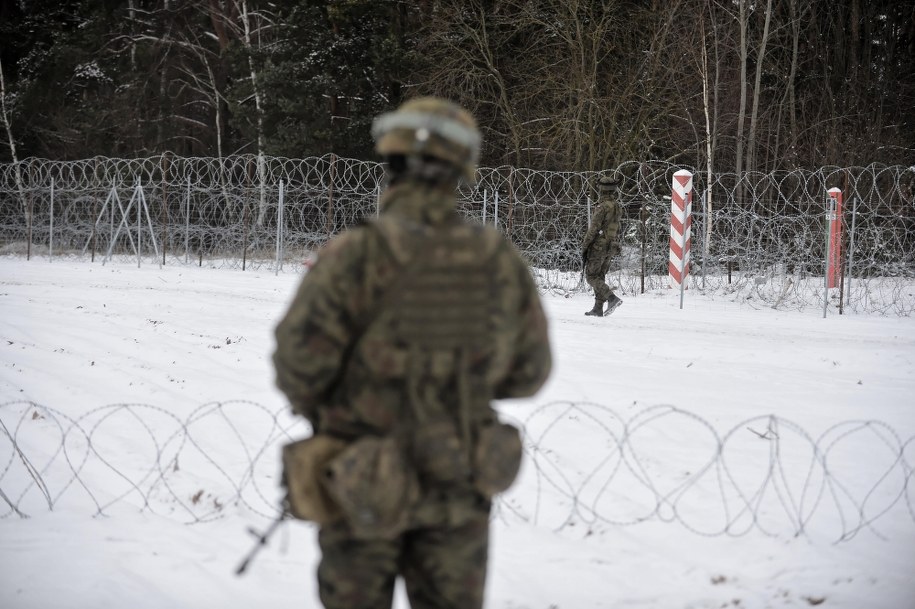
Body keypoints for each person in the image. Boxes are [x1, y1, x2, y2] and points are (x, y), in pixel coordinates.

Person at [272, 97, 552, 609]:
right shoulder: (497, 259)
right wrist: (461, 385)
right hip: (458, 483)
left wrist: (342, 407)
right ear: (460, 173)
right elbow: (531, 371)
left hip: (361, 481)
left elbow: (298, 363)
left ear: (392, 164)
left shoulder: (355, 253)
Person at [581, 174, 623, 316]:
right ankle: (598, 308)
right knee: (600, 275)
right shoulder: (617, 206)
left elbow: (593, 229)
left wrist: (585, 246)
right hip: (611, 245)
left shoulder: (602, 207)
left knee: (591, 276)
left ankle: (611, 298)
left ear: (601, 189)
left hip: (599, 245)